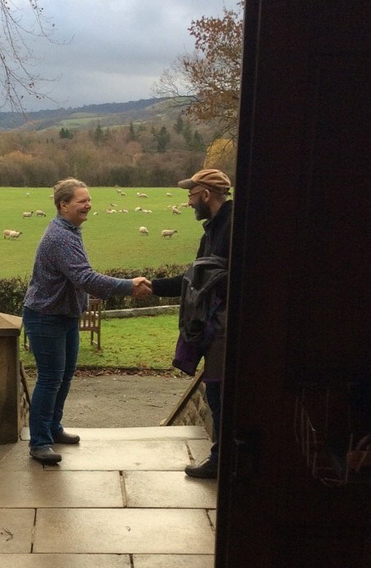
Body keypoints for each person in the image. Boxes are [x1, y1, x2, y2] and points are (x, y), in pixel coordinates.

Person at [23, 178, 152, 464]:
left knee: (64, 376)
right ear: (63, 205)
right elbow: (85, 278)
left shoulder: (70, 230)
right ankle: (39, 442)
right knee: (49, 379)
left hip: (65, 315)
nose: (88, 205)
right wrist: (128, 285)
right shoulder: (61, 237)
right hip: (46, 317)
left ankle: (53, 429)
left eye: (89, 199)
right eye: (82, 201)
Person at [151, 168, 233, 479]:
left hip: (224, 325)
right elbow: (193, 280)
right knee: (216, 392)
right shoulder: (211, 231)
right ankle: (223, 457)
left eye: (191, 194)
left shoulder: (234, 227)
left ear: (206, 195)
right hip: (213, 325)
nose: (188, 201)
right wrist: (154, 286)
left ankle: (222, 461)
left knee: (219, 391)